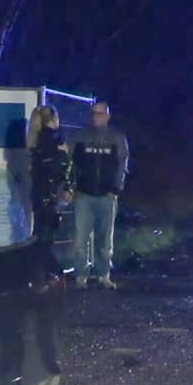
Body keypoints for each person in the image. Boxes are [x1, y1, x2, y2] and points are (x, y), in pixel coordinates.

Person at [68, 100, 130, 289]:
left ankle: (103, 274)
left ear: (108, 116)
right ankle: (81, 276)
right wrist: (70, 186)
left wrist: (116, 188)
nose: (96, 117)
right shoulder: (81, 136)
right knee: (81, 238)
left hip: (107, 195)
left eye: (100, 113)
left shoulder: (117, 137)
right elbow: (71, 162)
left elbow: (122, 164)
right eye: (94, 113)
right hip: (84, 194)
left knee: (105, 239)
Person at [28, 105, 74, 260]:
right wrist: (63, 155)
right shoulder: (54, 138)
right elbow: (57, 167)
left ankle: (39, 267)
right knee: (48, 235)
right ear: (54, 118)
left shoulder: (36, 138)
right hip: (50, 192)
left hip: (39, 192)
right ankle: (46, 270)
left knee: (40, 232)